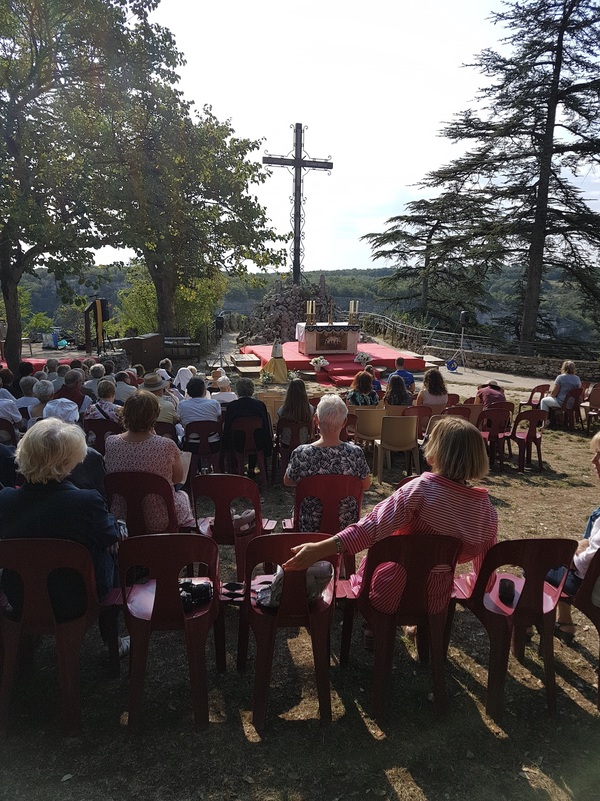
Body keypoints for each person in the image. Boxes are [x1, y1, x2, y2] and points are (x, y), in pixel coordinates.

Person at [284, 416, 497, 616]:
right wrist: (482, 587)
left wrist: (320, 548)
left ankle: (373, 630)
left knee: (374, 582)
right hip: (436, 601)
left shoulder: (420, 490)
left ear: (434, 454)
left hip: (389, 594)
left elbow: (372, 527)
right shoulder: (485, 508)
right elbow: (486, 561)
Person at [0, 418, 124, 640]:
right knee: (113, 545)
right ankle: (111, 636)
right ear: (70, 460)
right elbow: (110, 537)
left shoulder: (5, 499)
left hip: (20, 595)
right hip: (78, 597)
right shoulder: (85, 501)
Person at [104, 390, 194, 531]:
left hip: (122, 517)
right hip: (161, 518)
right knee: (183, 495)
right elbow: (177, 479)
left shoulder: (110, 442)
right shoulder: (166, 445)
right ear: (155, 415)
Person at [545, 431, 600, 644]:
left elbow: (587, 564)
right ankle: (565, 622)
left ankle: (526, 624)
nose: (593, 460)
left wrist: (576, 553)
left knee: (541, 562)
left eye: (599, 454)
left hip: (591, 587)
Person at [284, 394, 370, 530]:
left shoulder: (301, 453)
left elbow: (288, 481)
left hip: (310, 527)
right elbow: (365, 485)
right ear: (344, 422)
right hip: (345, 530)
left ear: (316, 420)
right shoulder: (356, 453)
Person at [221, 378, 273, 471]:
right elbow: (265, 426)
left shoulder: (232, 406)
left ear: (237, 390)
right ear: (252, 390)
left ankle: (238, 467)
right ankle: (252, 468)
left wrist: (226, 445)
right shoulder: (259, 405)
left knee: (243, 435)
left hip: (237, 442)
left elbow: (228, 428)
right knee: (255, 434)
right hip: (258, 442)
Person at [178, 376, 222, 451]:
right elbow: (219, 420)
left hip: (191, 444)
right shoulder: (214, 403)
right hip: (212, 442)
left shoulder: (182, 405)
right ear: (204, 390)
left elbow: (181, 421)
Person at [276, 378, 314, 446]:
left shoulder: (282, 410)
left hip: (286, 445)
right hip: (303, 444)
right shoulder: (310, 409)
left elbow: (279, 430)